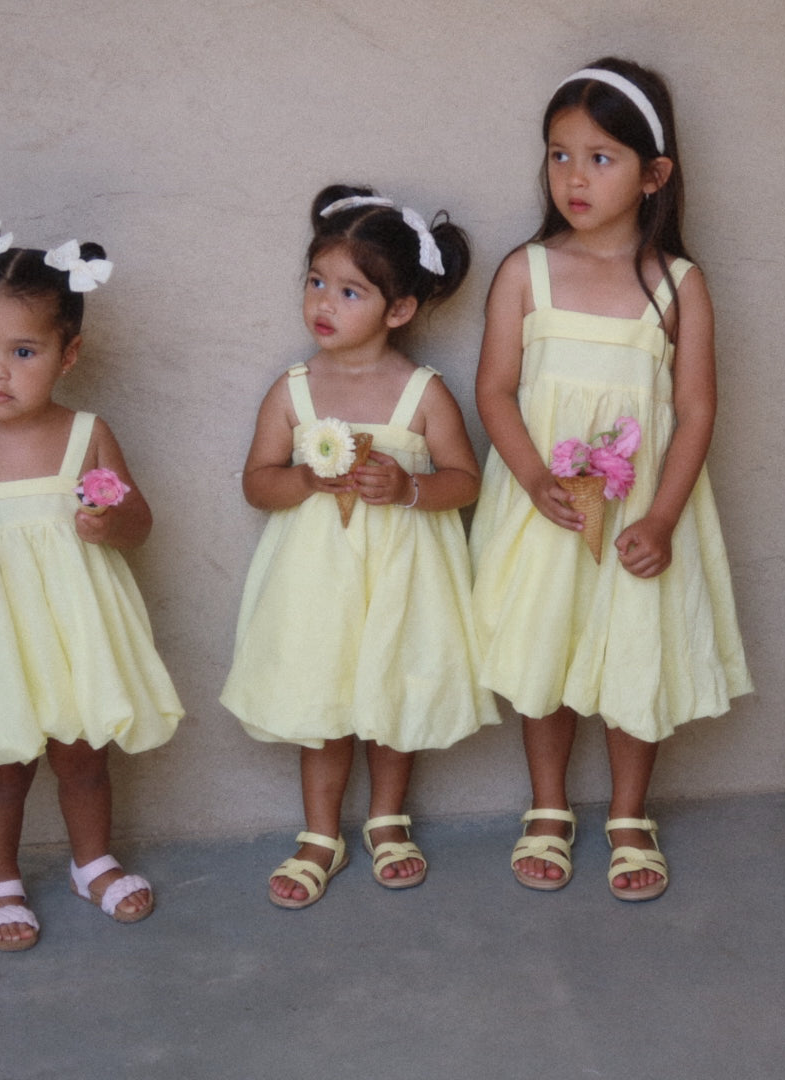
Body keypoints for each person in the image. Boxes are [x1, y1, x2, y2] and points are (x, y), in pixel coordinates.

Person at [469, 58, 751, 902]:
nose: (574, 177)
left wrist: (661, 517)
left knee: (634, 649)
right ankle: (549, 805)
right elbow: (494, 390)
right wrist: (532, 480)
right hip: (548, 507)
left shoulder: (678, 285)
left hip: (641, 510)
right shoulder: (525, 271)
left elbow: (695, 409)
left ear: (653, 174)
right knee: (547, 646)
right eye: (560, 155)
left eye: (600, 158)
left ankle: (630, 813)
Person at [0, 217, 181, 951]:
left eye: (23, 352)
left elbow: (139, 520)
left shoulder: (87, 435)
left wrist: (110, 524)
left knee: (84, 758)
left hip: (75, 629)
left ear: (67, 354)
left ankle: (92, 863)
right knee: (3, 769)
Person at [221, 185, 496, 908]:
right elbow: (256, 483)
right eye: (316, 282)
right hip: (316, 578)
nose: (324, 303)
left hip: (401, 575)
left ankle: (387, 820)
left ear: (397, 310)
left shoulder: (422, 392)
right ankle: (320, 833)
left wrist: (408, 487)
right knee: (324, 699)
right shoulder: (293, 390)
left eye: (349, 292)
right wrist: (304, 479)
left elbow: (466, 481)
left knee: (390, 691)